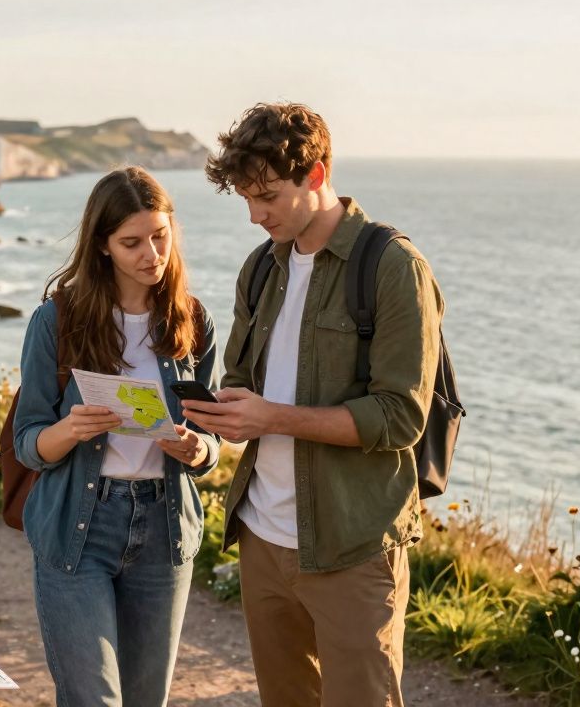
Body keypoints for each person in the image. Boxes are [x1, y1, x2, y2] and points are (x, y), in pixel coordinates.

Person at [183, 103, 445, 707]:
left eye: (267, 196)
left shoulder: (393, 268)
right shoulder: (259, 269)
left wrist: (271, 417)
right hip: (261, 537)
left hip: (352, 545)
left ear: (317, 174)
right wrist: (218, 416)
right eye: (246, 199)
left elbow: (401, 416)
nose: (255, 215)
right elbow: (242, 381)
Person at [13, 166, 221, 706]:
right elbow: (27, 442)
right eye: (132, 243)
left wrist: (198, 448)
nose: (152, 254)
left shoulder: (193, 321)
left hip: (164, 528)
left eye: (160, 236)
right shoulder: (57, 320)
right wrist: (69, 429)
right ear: (103, 245)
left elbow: (211, 439)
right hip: (79, 529)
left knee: (146, 699)